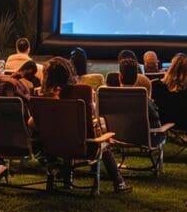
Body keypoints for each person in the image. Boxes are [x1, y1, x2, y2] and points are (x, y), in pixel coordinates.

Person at [39, 57, 130, 193]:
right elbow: (89, 120)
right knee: (104, 143)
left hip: (51, 147)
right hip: (83, 146)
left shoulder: (42, 95)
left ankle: (66, 177)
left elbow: (32, 123)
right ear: (68, 73)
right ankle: (119, 182)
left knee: (69, 134)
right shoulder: (83, 92)